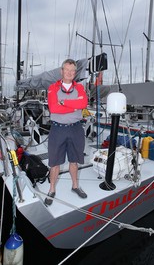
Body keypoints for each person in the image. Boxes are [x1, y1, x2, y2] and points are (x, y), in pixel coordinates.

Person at [45, 58, 88, 205]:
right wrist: (74, 106)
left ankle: (75, 186)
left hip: (76, 129)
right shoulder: (53, 87)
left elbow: (83, 103)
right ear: (61, 71)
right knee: (55, 163)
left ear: (75, 73)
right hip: (58, 129)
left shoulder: (80, 88)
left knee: (74, 161)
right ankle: (51, 189)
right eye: (66, 70)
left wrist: (64, 102)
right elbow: (54, 108)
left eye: (72, 70)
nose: (69, 73)